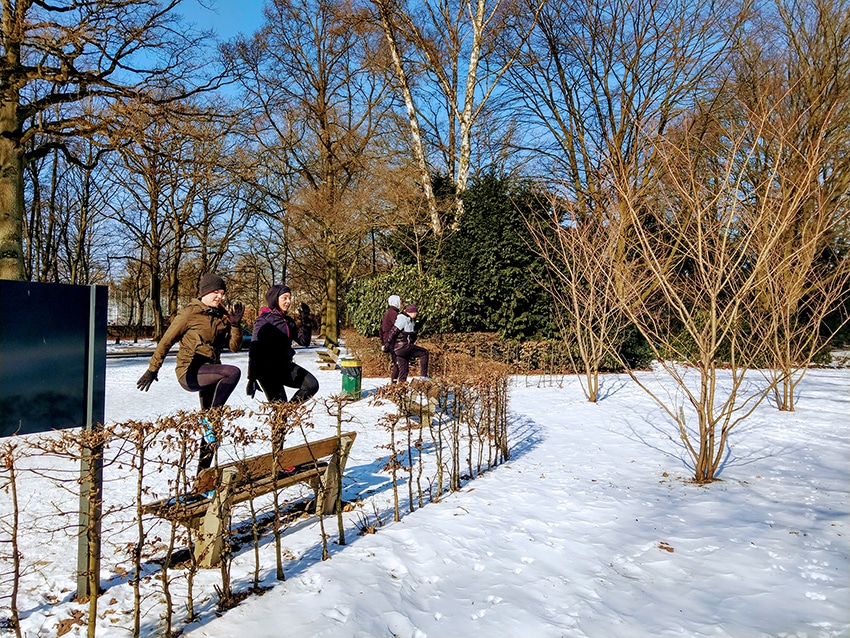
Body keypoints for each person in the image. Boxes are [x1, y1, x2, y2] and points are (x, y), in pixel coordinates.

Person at [136, 272, 244, 474]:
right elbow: (166, 342)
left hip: (211, 372)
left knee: (212, 432)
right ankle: (211, 417)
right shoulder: (189, 313)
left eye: (222, 293)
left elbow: (235, 347)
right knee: (232, 373)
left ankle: (201, 479)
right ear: (205, 292)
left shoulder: (222, 316)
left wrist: (236, 325)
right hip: (190, 371)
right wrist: (152, 369)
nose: (219, 297)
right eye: (215, 292)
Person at [246, 283, 319, 406]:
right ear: (275, 298)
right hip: (267, 371)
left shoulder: (288, 320)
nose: (288, 301)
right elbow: (254, 348)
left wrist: (306, 322)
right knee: (280, 414)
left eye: (290, 298)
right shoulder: (264, 320)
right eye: (284, 298)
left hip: (285, 367)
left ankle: (287, 412)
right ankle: (283, 415)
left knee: (312, 385)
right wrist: (251, 378)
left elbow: (303, 341)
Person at [387, 304, 429, 383]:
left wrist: (422, 322)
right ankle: (424, 376)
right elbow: (393, 332)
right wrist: (387, 344)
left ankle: (400, 389)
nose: (416, 314)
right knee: (424, 353)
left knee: (404, 371)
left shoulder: (410, 320)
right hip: (404, 347)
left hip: (400, 350)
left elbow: (412, 328)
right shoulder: (403, 319)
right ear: (410, 312)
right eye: (415, 312)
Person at [380, 294, 401, 383]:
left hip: (388, 341)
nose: (401, 303)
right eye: (400, 301)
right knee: (398, 363)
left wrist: (383, 342)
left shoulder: (388, 313)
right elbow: (397, 327)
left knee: (397, 362)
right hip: (392, 341)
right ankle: (394, 383)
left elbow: (381, 329)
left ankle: (394, 382)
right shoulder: (393, 314)